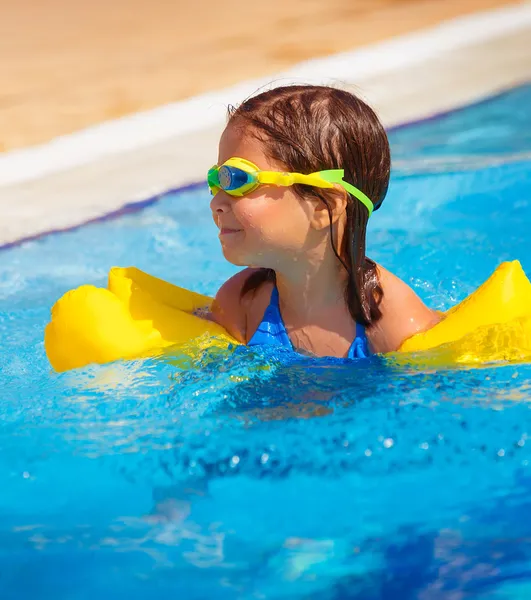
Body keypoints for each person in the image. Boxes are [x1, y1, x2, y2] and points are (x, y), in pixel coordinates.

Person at [208, 85, 440, 358]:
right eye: (216, 180)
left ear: (323, 206)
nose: (216, 203)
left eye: (239, 180)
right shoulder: (242, 302)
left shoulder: (393, 324)